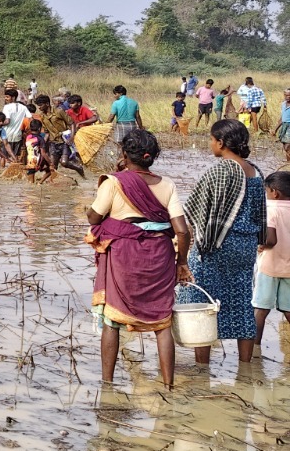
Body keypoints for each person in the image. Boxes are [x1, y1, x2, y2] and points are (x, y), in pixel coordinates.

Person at [85, 129, 188, 388]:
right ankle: (168, 385)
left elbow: (94, 218)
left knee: (112, 319)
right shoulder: (167, 185)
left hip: (124, 257)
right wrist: (182, 263)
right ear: (152, 157)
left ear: (123, 154)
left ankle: (107, 384)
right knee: (162, 322)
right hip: (160, 257)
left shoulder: (113, 182)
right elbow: (183, 231)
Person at [179, 119, 266, 367]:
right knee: (241, 300)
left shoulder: (222, 169)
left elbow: (201, 208)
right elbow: (259, 214)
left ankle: (202, 365)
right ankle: (246, 365)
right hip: (245, 248)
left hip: (218, 246)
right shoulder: (255, 171)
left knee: (203, 302)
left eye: (210, 139)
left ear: (220, 142)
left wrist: (200, 243)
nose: (210, 144)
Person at [254, 172, 290, 359]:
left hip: (270, 266)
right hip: (289, 268)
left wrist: (261, 245)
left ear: (274, 192)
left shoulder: (271, 208)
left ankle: (254, 347)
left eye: (266, 191)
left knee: (261, 308)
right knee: (288, 308)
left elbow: (271, 239)